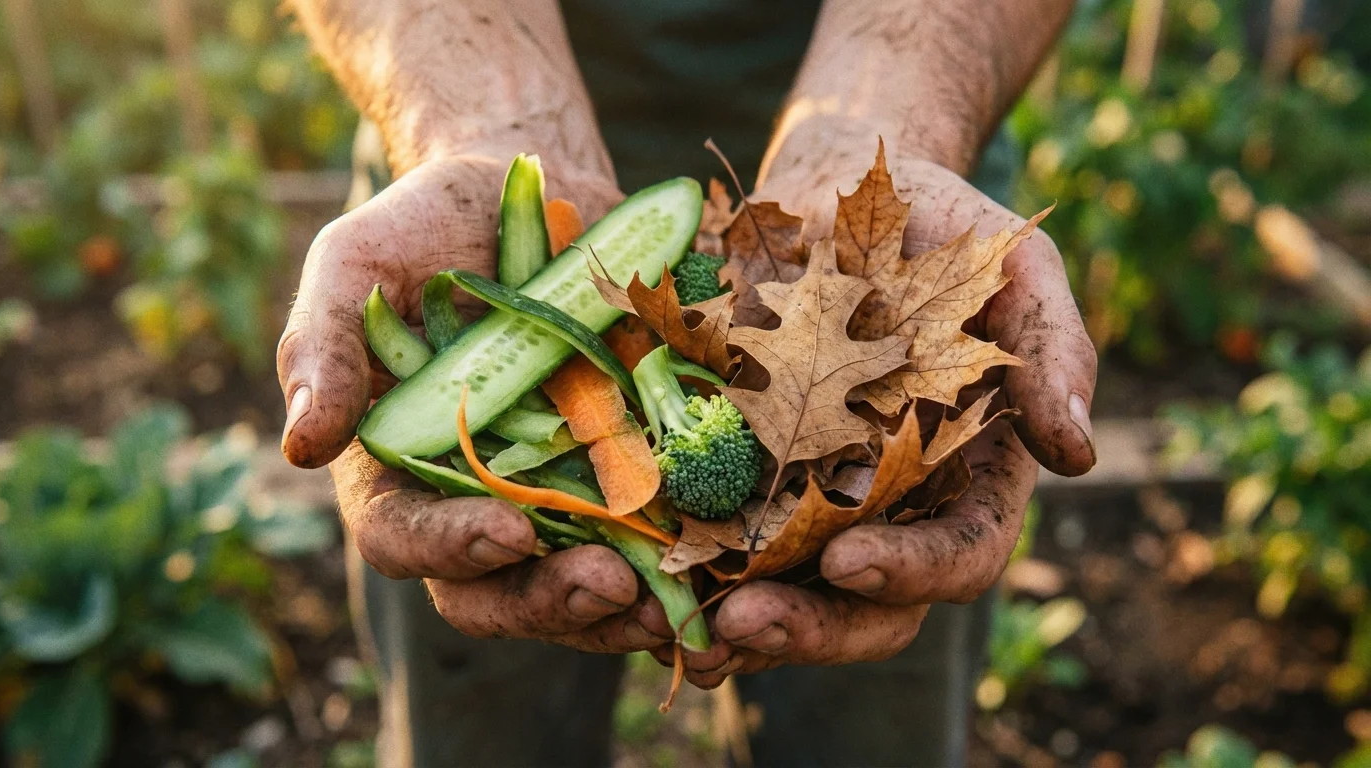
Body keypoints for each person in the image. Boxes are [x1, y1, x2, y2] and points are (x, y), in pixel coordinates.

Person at [276, 1, 1098, 765]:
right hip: (449, 86)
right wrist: (483, 119)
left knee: (865, 708)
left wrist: (884, 124)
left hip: (912, 121)